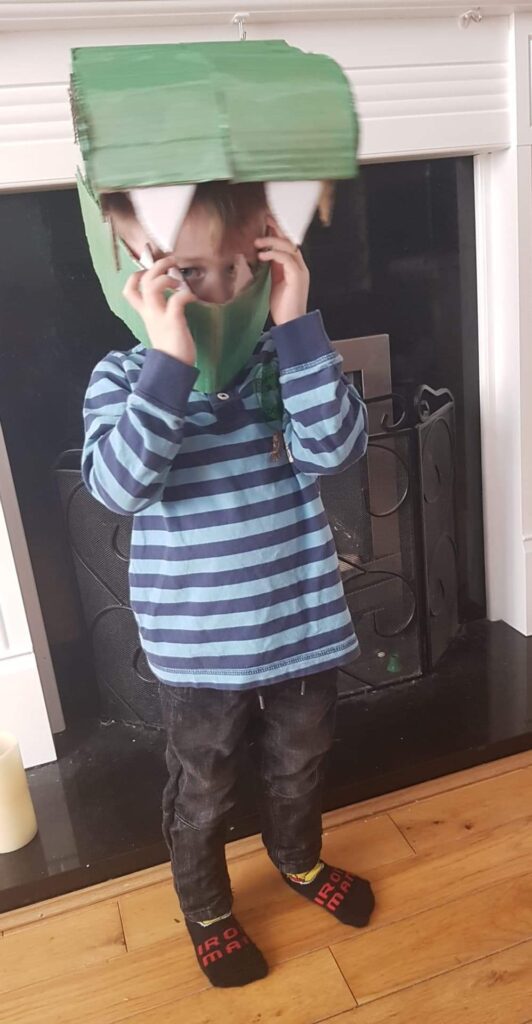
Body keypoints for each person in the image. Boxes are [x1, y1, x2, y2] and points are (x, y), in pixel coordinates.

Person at [82, 180, 374, 989]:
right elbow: (119, 488)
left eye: (235, 268)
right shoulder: (123, 377)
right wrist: (170, 365)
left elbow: (336, 449)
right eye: (186, 273)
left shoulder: (285, 363)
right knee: (203, 788)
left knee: (300, 766)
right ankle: (207, 906)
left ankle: (298, 858)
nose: (214, 293)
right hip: (198, 650)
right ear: (136, 269)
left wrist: (298, 327)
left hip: (301, 630)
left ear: (267, 259)